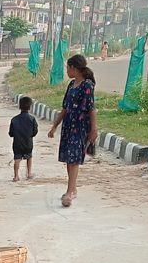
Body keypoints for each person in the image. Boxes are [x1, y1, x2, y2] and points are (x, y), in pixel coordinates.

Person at [47, 53, 98, 207]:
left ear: (74, 68)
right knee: (68, 158)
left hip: (81, 126)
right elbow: (65, 108)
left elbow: (91, 108)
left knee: (74, 158)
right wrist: (55, 126)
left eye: (67, 68)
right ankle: (73, 188)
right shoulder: (71, 85)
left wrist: (93, 129)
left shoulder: (87, 85)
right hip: (68, 125)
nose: (66, 71)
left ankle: (69, 192)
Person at [9, 95, 38, 182]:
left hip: (17, 144)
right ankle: (29, 173)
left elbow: (11, 133)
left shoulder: (14, 120)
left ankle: (16, 176)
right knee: (29, 157)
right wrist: (30, 135)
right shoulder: (32, 119)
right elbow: (35, 131)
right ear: (30, 107)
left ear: (19, 107)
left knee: (17, 159)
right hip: (28, 143)